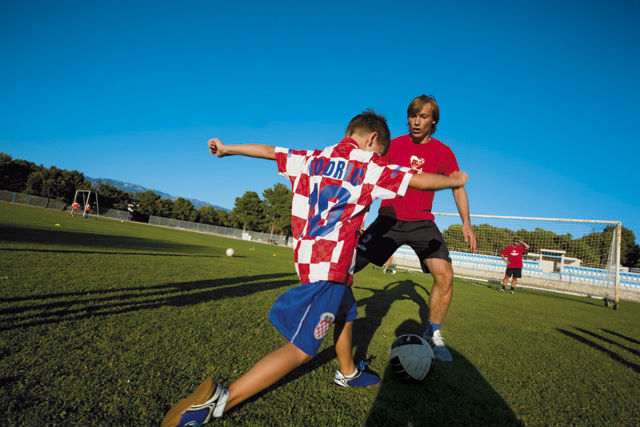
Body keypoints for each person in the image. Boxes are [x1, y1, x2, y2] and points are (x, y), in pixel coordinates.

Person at [160, 110, 469, 427]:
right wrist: (452, 181)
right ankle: (217, 403)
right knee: (302, 349)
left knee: (346, 310)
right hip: (330, 269)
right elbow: (418, 180)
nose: (379, 156)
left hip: (310, 259)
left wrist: (228, 149)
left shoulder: (312, 157)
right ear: (372, 138)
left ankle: (348, 372)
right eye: (379, 151)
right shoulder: (370, 166)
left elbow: (268, 151)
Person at [355, 95, 477, 362]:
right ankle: (324, 308)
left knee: (445, 275)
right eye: (413, 116)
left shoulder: (444, 152)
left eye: (423, 116)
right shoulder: (393, 145)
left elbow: (458, 188)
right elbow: (369, 178)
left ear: (433, 121)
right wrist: (360, 214)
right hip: (389, 218)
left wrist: (466, 223)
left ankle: (433, 334)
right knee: (348, 266)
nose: (416, 122)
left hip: (422, 222)